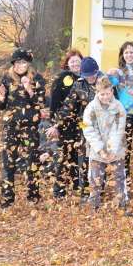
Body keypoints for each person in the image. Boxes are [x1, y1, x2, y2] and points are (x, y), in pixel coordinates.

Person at [0, 48, 46, 208]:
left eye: (23, 62)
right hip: (11, 126)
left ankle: (33, 197)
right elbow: (1, 106)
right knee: (8, 162)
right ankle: (7, 200)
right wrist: (2, 97)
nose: (20, 65)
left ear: (28, 64)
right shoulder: (7, 78)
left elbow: (41, 103)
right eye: (17, 62)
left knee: (32, 160)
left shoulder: (37, 78)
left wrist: (29, 89)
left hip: (30, 127)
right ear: (13, 64)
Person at [56, 56, 102, 201]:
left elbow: (114, 104)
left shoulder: (104, 82)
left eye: (92, 75)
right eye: (87, 75)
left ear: (97, 72)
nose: (90, 78)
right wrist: (56, 124)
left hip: (102, 127)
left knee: (99, 160)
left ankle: (98, 191)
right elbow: (68, 107)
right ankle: (85, 192)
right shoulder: (79, 85)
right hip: (85, 126)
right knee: (84, 160)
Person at [82, 76, 130, 213]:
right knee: (95, 179)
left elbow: (118, 129)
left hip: (116, 149)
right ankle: (94, 206)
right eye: (102, 94)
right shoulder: (90, 108)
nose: (105, 97)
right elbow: (86, 128)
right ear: (97, 92)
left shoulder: (119, 107)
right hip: (96, 150)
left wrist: (112, 150)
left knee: (119, 177)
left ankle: (122, 204)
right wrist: (100, 150)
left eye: (107, 93)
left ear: (112, 91)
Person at [108, 41, 133, 197]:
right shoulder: (118, 72)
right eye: (126, 52)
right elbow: (106, 86)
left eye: (131, 52)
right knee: (125, 151)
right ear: (122, 55)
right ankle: (124, 185)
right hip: (124, 116)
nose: (129, 55)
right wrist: (108, 74)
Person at [48, 48, 83, 198]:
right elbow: (54, 103)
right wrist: (54, 124)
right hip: (64, 123)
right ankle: (59, 190)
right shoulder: (62, 78)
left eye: (78, 61)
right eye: (72, 61)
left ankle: (76, 186)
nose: (75, 64)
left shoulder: (85, 78)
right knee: (64, 156)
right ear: (67, 63)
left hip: (81, 124)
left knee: (77, 155)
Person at [38, 105, 59, 183]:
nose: (46, 113)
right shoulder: (40, 122)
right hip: (42, 147)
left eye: (47, 111)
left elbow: (55, 140)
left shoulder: (53, 122)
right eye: (44, 111)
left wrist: (48, 152)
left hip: (51, 148)